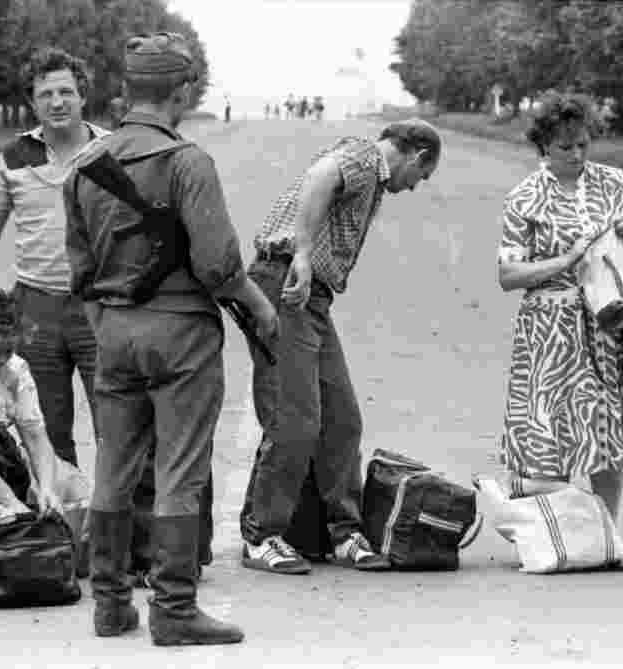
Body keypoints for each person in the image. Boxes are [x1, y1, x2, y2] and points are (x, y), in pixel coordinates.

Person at [65, 32, 277, 645]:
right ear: (182, 92)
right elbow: (220, 267)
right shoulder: (187, 162)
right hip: (181, 332)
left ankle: (110, 606)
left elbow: (80, 273)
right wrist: (261, 309)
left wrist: (111, 325)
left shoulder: (83, 168)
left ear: (128, 89)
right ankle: (174, 609)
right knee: (180, 469)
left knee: (113, 465)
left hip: (114, 331)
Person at [239, 119, 441, 575]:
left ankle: (344, 531)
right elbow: (320, 177)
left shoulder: (372, 174)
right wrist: (303, 253)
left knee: (342, 419)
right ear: (417, 156)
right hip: (286, 283)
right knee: (295, 419)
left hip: (312, 297)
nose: (415, 186)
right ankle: (262, 535)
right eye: (422, 176)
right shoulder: (366, 157)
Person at [495, 91, 623, 563]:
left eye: (583, 145)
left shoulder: (613, 183)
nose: (576, 155)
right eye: (565, 147)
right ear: (544, 147)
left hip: (609, 325)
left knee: (605, 432)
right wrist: (566, 260)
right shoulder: (525, 197)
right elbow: (508, 275)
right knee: (548, 433)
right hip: (551, 329)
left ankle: (608, 539)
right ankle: (555, 539)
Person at [0, 47, 109, 469]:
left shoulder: (111, 150)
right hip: (34, 309)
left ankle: (115, 512)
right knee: (45, 430)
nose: (57, 102)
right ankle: (60, 509)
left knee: (115, 426)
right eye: (46, 94)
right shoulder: (13, 156)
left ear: (83, 96)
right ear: (32, 102)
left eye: (66, 92)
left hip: (100, 306)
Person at [0, 286, 63, 517]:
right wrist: (10, 501)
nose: (2, 360)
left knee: (68, 487)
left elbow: (36, 436)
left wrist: (48, 489)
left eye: (8, 351)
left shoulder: (16, 369)